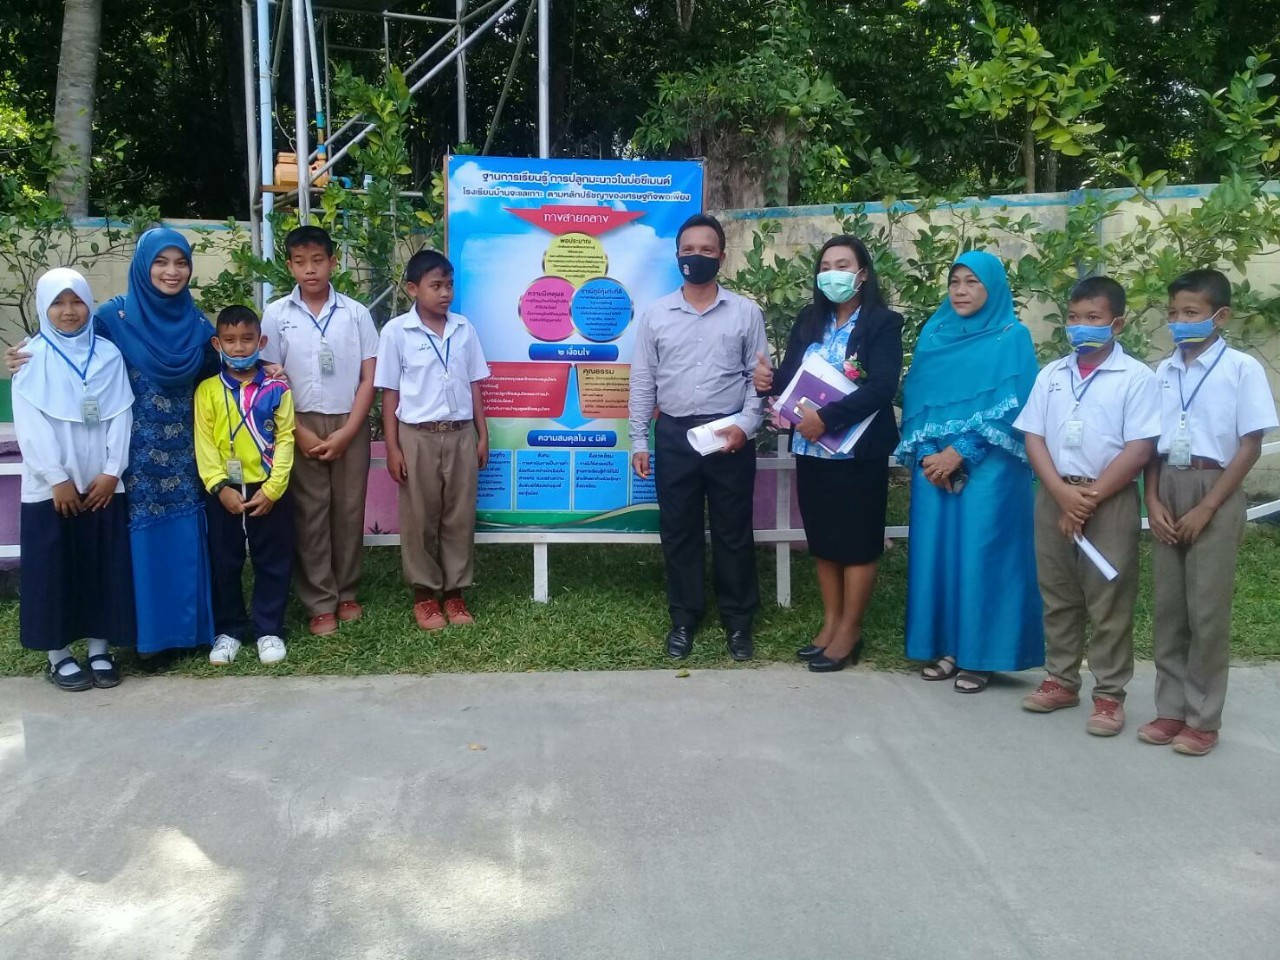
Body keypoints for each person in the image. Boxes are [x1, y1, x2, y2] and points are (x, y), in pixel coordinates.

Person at [9, 229, 220, 663]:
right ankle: (146, 639)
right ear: (142, 267)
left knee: (181, 539)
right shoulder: (113, 318)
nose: (172, 272)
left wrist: (266, 367)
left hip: (183, 456)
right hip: (127, 461)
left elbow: (223, 375)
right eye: (160, 262)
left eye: (180, 262)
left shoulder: (199, 327)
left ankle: (186, 632)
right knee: (129, 549)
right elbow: (69, 342)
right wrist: (24, 355)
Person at [1140, 268, 1278, 756]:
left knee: (1207, 609)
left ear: (1220, 316)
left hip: (1214, 485)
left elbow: (1250, 444)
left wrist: (1208, 507)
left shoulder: (1241, 369)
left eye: (1191, 313)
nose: (1180, 321)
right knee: (1169, 608)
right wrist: (1152, 499)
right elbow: (1149, 444)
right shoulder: (1163, 372)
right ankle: (1170, 709)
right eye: (1173, 313)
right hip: (1167, 482)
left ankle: (1202, 718)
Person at [1013, 276, 1159, 734]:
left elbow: (1140, 447)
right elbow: (1033, 436)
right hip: (1055, 495)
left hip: (1108, 500)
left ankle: (1109, 695)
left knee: (1109, 599)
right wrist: (1061, 494)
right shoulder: (1052, 375)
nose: (1081, 327)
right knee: (1058, 593)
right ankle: (1060, 680)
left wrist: (1087, 500)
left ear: (1117, 323)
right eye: (1074, 318)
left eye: (1093, 318)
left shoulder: (1136, 377)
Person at [753, 236, 903, 673]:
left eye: (842, 265)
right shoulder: (809, 320)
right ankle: (831, 624)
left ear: (862, 274)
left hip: (858, 453)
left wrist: (829, 419)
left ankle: (850, 631)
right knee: (824, 540)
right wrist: (768, 380)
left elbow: (882, 387)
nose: (832, 273)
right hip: (811, 448)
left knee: (856, 543)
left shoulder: (882, 323)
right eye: (825, 266)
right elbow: (791, 377)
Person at [896, 249, 1043, 693]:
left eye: (972, 282)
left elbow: (1017, 406)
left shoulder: (1011, 337)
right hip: (934, 468)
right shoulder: (935, 334)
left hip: (991, 466)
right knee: (938, 552)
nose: (960, 291)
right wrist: (929, 453)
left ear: (992, 287)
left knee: (983, 552)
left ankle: (982, 655)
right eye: (954, 282)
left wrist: (960, 452)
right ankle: (947, 647)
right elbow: (918, 399)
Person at [628, 213, 770, 662]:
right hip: (674, 434)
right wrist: (639, 440)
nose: (697, 256)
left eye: (707, 250)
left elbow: (758, 379)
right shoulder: (656, 315)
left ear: (721, 257)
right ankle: (684, 617)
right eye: (689, 249)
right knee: (679, 530)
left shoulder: (745, 312)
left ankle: (738, 621)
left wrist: (745, 426)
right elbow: (642, 381)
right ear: (677, 256)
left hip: (728, 433)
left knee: (733, 530)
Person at [12, 269, 135, 690]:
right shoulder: (29, 357)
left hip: (102, 485)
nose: (69, 311)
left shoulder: (108, 355)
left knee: (102, 565)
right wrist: (56, 478)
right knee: (54, 569)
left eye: (77, 301)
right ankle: (58, 655)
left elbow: (121, 415)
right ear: (44, 308)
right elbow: (30, 424)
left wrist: (112, 470)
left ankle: (100, 648)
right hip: (52, 489)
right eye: (58, 303)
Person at [260, 226, 379, 637]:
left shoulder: (356, 313)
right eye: (300, 262)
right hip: (298, 422)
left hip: (349, 422)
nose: (309, 270)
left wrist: (349, 431)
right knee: (310, 514)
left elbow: (369, 378)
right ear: (289, 266)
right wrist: (297, 431)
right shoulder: (277, 315)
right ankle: (319, 600)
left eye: (317, 261)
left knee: (349, 510)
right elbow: (270, 379)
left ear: (333, 262)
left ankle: (347, 592)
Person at [376, 250, 490, 630]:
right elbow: (389, 393)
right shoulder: (396, 332)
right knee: (420, 518)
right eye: (436, 286)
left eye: (449, 285)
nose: (445, 293)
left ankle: (455, 593)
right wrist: (393, 447)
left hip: (460, 434)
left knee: (459, 516)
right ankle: (425, 594)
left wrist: (482, 434)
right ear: (413, 289)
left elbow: (475, 384)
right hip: (417, 436)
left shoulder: (464, 329)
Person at [195, 306, 296, 666]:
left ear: (261, 341)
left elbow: (286, 438)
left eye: (247, 339)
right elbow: (204, 443)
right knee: (225, 560)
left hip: (267, 488)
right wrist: (218, 485)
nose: (239, 347)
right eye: (230, 340)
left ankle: (268, 629)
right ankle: (230, 630)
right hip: (225, 491)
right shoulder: (207, 390)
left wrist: (273, 488)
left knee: (272, 559)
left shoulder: (277, 388)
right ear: (217, 344)